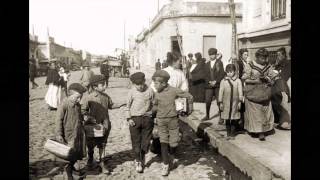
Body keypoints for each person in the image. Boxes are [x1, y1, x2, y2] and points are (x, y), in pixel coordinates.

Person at [80, 75, 126, 174]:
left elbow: (111, 105)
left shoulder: (106, 96)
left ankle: (102, 162)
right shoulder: (89, 97)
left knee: (102, 144)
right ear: (95, 87)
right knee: (90, 144)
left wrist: (122, 103)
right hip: (92, 126)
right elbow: (83, 110)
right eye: (102, 85)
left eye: (105, 84)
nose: (105, 86)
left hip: (105, 124)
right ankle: (90, 159)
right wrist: (88, 117)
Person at [151, 70, 193, 176]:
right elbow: (155, 106)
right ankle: (165, 164)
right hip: (161, 121)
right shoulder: (156, 94)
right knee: (163, 142)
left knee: (174, 142)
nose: (154, 85)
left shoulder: (174, 91)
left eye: (156, 83)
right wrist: (152, 112)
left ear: (164, 83)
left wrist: (189, 108)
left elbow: (189, 96)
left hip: (173, 120)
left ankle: (172, 156)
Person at [242, 48, 278, 141]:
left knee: (266, 111)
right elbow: (244, 78)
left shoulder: (268, 66)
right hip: (253, 92)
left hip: (265, 92)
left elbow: (273, 77)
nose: (264, 60)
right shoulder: (250, 65)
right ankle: (259, 132)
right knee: (256, 113)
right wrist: (256, 81)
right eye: (262, 58)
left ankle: (265, 129)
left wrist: (271, 80)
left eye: (265, 58)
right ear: (257, 57)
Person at [55, 83, 87, 180]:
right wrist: (58, 133)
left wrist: (84, 118)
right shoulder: (64, 104)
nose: (79, 100)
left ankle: (72, 170)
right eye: (77, 97)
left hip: (77, 133)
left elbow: (79, 116)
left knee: (75, 152)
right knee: (68, 154)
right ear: (70, 94)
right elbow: (58, 120)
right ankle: (67, 172)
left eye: (80, 97)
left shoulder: (77, 105)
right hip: (68, 134)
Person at [124, 72, 154, 173]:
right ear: (133, 84)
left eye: (141, 84)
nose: (140, 87)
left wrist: (153, 115)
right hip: (135, 120)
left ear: (144, 81)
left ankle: (142, 154)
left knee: (145, 142)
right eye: (137, 85)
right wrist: (129, 119)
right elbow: (127, 107)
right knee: (136, 142)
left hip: (147, 120)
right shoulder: (131, 92)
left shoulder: (150, 91)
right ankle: (138, 160)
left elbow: (154, 104)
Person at [218, 64, 243, 140]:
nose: (229, 73)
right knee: (227, 118)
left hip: (235, 103)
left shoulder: (238, 81)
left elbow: (240, 91)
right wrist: (220, 102)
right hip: (226, 103)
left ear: (234, 72)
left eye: (231, 72)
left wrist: (240, 101)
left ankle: (232, 134)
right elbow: (221, 92)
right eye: (227, 72)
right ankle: (228, 133)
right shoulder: (223, 81)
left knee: (234, 118)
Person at [271, 47, 291, 130]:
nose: (277, 57)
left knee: (284, 105)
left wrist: (276, 76)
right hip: (278, 88)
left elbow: (284, 76)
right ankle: (281, 122)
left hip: (284, 88)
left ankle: (285, 124)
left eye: (279, 55)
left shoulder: (288, 64)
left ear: (284, 55)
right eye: (277, 55)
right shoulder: (278, 64)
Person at [203, 48, 225, 122]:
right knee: (208, 100)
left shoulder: (220, 63)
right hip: (209, 86)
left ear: (216, 55)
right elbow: (205, 75)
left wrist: (216, 81)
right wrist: (209, 81)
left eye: (213, 54)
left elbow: (222, 73)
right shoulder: (206, 64)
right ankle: (207, 115)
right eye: (210, 55)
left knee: (219, 100)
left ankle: (221, 117)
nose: (211, 56)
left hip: (217, 85)